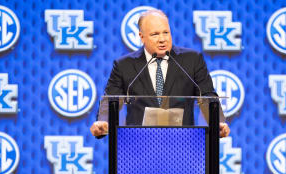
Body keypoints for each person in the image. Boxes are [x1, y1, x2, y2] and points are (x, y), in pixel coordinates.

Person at [90, 9, 230, 137]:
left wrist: (217, 122)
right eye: (155, 34)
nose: (162, 39)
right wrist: (103, 122)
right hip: (138, 147)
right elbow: (110, 100)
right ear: (142, 36)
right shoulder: (124, 65)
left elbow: (207, 96)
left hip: (183, 145)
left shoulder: (192, 60)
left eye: (166, 32)